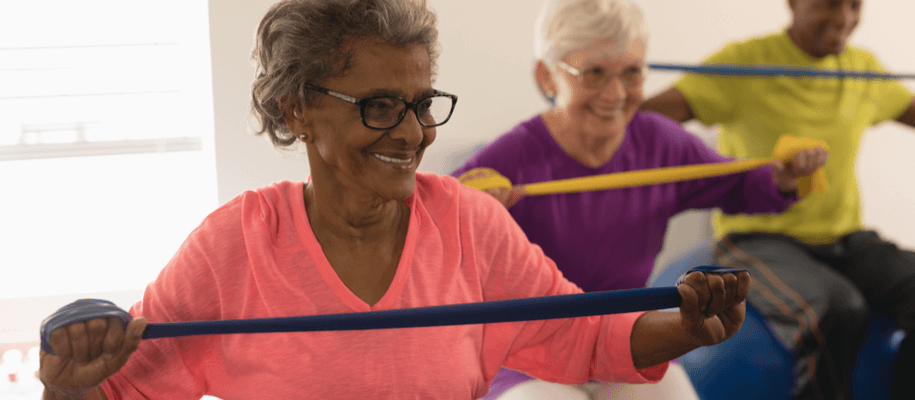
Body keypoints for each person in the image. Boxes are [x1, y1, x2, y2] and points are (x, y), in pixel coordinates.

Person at [37, 0, 751, 399]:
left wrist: (691, 324)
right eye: (378, 106)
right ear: (297, 113)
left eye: (420, 102)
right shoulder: (234, 245)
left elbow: (583, 338)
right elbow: (118, 391)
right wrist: (69, 385)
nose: (413, 133)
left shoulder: (470, 224)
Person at [451, 0, 828, 399]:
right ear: (548, 77)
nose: (615, 93)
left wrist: (784, 177)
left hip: (629, 340)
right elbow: (429, 230)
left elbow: (738, 184)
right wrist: (469, 212)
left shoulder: (660, 142)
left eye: (631, 73)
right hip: (528, 356)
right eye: (594, 73)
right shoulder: (509, 159)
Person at [640, 0, 915, 399]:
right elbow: (644, 123)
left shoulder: (861, 69)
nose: (844, 18)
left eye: (855, 5)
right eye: (830, 4)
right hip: (757, 237)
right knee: (836, 309)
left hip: (844, 239)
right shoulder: (746, 63)